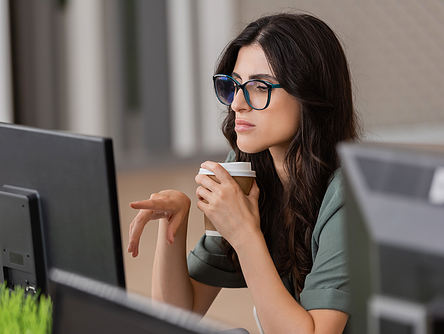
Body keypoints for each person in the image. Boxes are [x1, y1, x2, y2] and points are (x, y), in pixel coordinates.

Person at [127, 12, 361, 334]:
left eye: (259, 87)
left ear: (310, 96)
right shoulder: (248, 173)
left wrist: (243, 232)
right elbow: (175, 315)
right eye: (234, 85)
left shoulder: (350, 194)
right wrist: (174, 225)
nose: (237, 103)